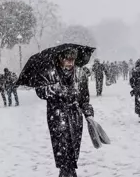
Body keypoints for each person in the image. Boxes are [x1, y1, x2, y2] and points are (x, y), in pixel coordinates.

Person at [35, 48, 95, 177]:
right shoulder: (50, 74)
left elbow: (85, 99)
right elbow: (40, 92)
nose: (70, 62)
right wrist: (57, 89)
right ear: (60, 59)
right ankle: (66, 172)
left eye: (72, 59)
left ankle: (68, 171)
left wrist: (88, 114)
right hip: (57, 117)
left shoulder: (81, 74)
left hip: (75, 118)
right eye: (67, 59)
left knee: (73, 151)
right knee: (62, 152)